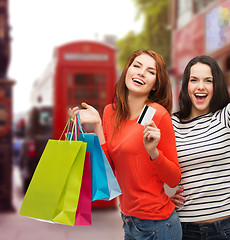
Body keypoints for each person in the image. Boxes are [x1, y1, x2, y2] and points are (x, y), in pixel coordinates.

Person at [170, 18, 230, 239]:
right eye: (194, 80)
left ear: (216, 86)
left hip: (227, 228)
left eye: (208, 81)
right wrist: (165, 194)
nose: (201, 86)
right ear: (186, 86)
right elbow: (156, 167)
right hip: (185, 229)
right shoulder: (172, 124)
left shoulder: (227, 118)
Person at [70, 49, 182, 240]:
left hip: (158, 225)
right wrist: (97, 124)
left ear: (156, 85)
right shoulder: (110, 113)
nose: (140, 72)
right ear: (127, 71)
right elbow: (109, 169)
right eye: (136, 66)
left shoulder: (157, 114)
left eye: (150, 71)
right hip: (129, 221)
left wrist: (153, 152)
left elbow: (173, 179)